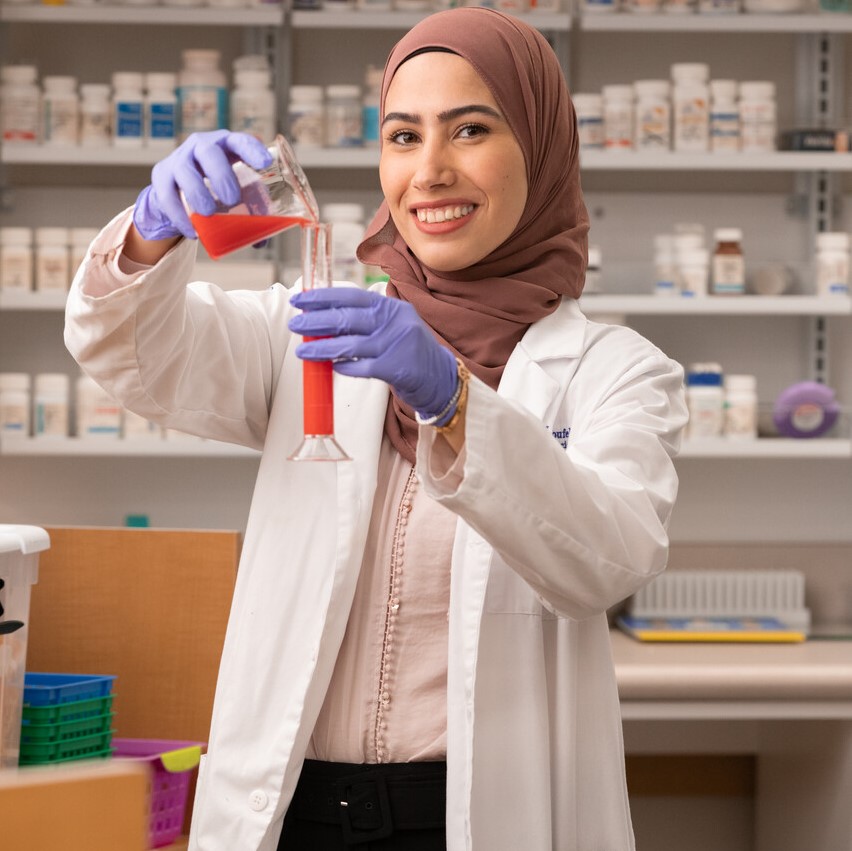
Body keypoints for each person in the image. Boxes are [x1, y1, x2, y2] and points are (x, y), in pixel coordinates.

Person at [64, 8, 688, 851]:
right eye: (403, 136)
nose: (430, 171)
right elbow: (132, 355)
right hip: (292, 811)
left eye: (470, 129)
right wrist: (148, 233)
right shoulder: (312, 333)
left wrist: (454, 400)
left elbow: (606, 561)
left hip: (475, 815)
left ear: (540, 151)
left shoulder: (617, 370)